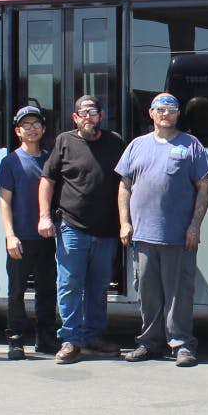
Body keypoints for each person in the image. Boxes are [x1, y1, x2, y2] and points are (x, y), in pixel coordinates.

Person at [116, 93, 208, 367]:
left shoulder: (191, 145)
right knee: (147, 292)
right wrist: (125, 222)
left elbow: (204, 187)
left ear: (178, 114)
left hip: (178, 236)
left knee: (179, 293)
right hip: (143, 235)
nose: (165, 114)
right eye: (160, 109)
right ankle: (149, 343)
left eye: (171, 109)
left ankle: (182, 344)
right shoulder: (136, 146)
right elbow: (124, 186)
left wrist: (195, 225)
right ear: (151, 113)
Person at [37, 95, 124, 364]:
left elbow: (126, 183)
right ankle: (70, 341)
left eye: (93, 112)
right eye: (83, 113)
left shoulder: (115, 142)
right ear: (75, 118)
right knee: (70, 284)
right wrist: (44, 217)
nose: (89, 117)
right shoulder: (64, 141)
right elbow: (47, 181)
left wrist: (125, 221)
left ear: (101, 115)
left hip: (107, 230)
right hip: (72, 227)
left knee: (98, 288)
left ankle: (93, 337)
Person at [0, 105, 58, 360]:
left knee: (47, 289)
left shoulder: (51, 159)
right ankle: (16, 339)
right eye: (26, 125)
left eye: (36, 124)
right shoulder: (10, 162)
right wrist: (10, 235)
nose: (31, 129)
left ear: (43, 129)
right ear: (17, 131)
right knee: (17, 291)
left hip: (46, 238)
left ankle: (45, 339)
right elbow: (4, 201)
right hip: (20, 237)